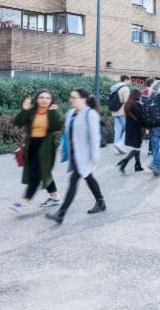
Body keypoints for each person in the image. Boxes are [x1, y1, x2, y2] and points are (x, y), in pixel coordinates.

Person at [46, 89, 105, 223]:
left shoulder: (90, 114)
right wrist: (62, 147)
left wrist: (95, 154)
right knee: (89, 177)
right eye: (70, 97)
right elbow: (66, 133)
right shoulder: (71, 113)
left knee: (73, 180)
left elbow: (94, 136)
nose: (71, 99)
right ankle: (101, 202)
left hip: (85, 154)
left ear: (83, 98)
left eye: (74, 97)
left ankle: (61, 213)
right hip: (75, 154)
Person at [9, 90, 63, 212]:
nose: (44, 100)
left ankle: (24, 201)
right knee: (44, 171)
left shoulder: (53, 111)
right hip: (31, 145)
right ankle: (55, 197)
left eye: (48, 98)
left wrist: (53, 112)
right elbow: (18, 122)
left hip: (46, 147)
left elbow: (57, 126)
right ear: (37, 99)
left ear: (51, 100)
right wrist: (25, 109)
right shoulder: (32, 111)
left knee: (35, 174)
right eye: (42, 97)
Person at [117, 88, 145, 173]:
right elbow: (141, 118)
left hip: (129, 128)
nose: (140, 97)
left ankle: (138, 165)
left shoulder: (128, 104)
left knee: (136, 147)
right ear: (137, 96)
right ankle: (125, 161)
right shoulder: (137, 105)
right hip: (137, 128)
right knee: (137, 147)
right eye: (139, 95)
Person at [109, 75, 131, 154]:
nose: (129, 82)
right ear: (126, 80)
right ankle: (120, 144)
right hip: (123, 112)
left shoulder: (114, 88)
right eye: (129, 80)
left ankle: (116, 150)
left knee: (117, 130)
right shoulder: (125, 88)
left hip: (115, 112)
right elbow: (126, 102)